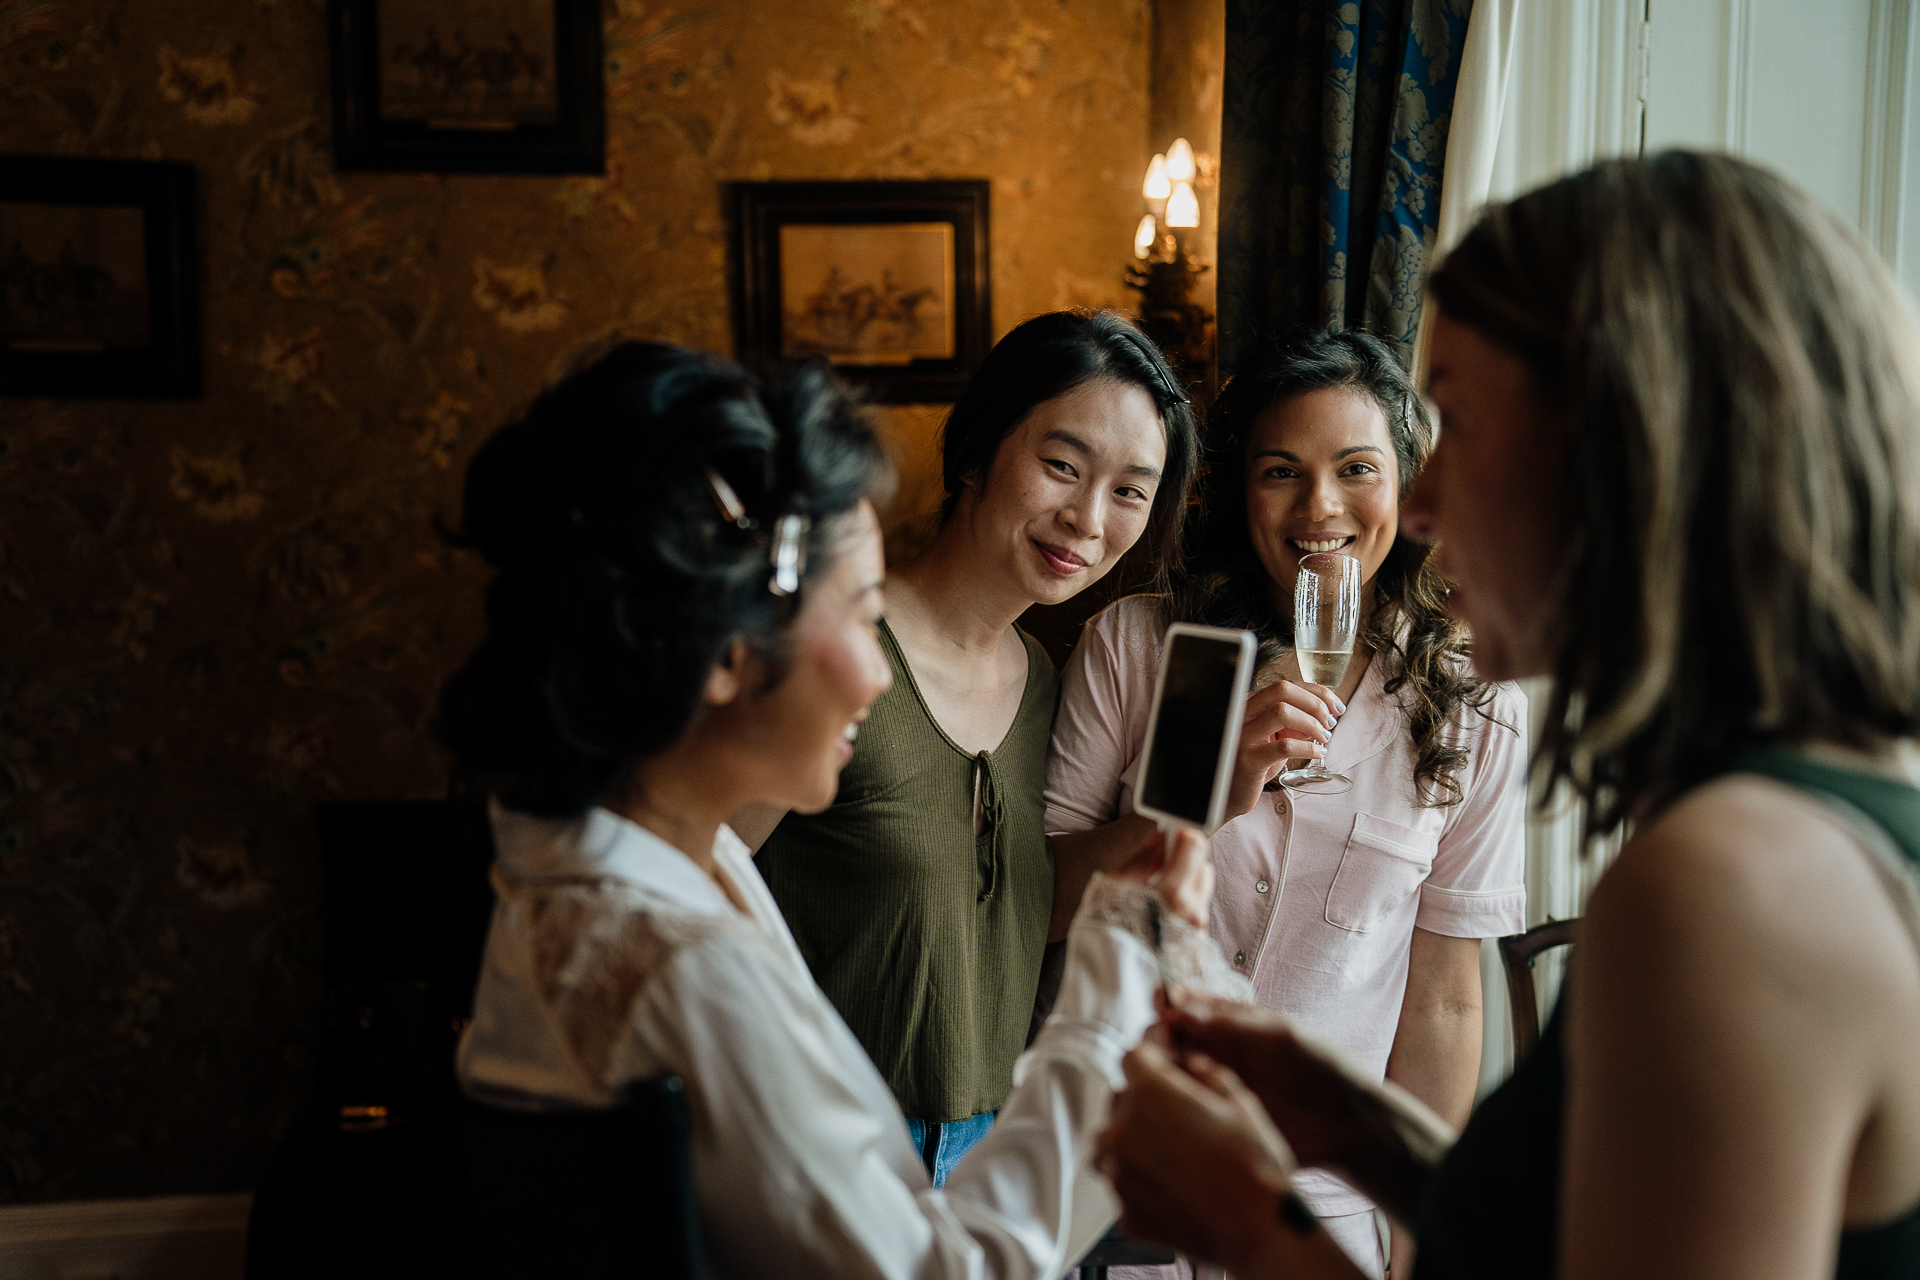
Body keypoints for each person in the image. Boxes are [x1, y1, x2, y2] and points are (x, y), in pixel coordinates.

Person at [1097, 149, 1920, 1280]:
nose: (1419, 508)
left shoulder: (1735, 887)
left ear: (1631, 464)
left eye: (1463, 428)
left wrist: (1248, 1224)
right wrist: (1366, 1134)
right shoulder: (1802, 813)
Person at [441, 340, 1235, 1279]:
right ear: (728, 651)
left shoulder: (633, 868)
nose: (876, 669)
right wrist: (1122, 989)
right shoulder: (677, 966)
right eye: (862, 614)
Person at [1045, 328, 1527, 1277]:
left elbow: (1442, 1002)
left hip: (1328, 1204)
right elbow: (1038, 906)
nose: (1321, 509)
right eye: (1281, 471)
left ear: (1409, 485)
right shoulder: (1138, 647)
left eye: (1357, 468)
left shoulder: (1476, 702)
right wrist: (1204, 802)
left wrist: (1415, 1234)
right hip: (1120, 1172)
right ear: (1237, 488)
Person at [743, 310, 1200, 1184]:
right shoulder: (842, 654)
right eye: (1061, 466)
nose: (1087, 518)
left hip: (997, 1149)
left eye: (1131, 491)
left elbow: (1023, 910)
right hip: (831, 1154)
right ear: (977, 453)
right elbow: (698, 878)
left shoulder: (1042, 681)